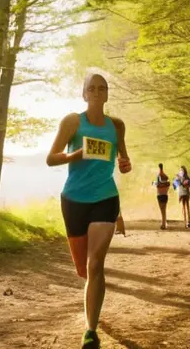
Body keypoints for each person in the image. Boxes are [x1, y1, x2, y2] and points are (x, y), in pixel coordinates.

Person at [46, 73, 131, 349]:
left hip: (106, 197)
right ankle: (92, 303)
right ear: (84, 94)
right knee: (84, 269)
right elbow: (51, 158)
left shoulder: (116, 126)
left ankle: (90, 331)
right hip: (74, 200)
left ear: (107, 95)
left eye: (101, 88)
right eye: (91, 88)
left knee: (96, 264)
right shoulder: (73, 122)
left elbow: (122, 158)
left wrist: (124, 163)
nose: (96, 92)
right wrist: (74, 155)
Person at [153, 163, 171, 229]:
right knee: (164, 209)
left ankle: (163, 224)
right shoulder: (165, 177)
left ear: (159, 167)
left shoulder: (158, 177)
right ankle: (164, 223)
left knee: (162, 210)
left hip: (160, 195)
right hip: (165, 195)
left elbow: (156, 185)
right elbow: (168, 184)